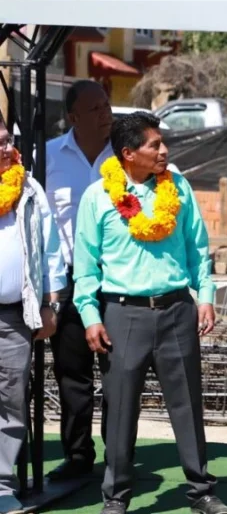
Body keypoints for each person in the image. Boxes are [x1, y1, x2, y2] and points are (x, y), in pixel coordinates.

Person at [72, 112, 227, 514]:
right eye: (154, 145)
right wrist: (90, 315)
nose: (164, 151)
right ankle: (117, 497)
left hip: (177, 309)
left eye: (162, 143)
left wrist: (206, 295)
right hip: (122, 315)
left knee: (187, 406)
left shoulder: (177, 188)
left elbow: (198, 246)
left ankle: (201, 492)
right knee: (121, 409)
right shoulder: (97, 197)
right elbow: (86, 265)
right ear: (128, 154)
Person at [45, 79, 114, 481]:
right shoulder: (48, 156)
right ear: (72, 117)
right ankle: (77, 456)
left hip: (116, 279)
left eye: (106, 105)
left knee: (117, 373)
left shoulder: (123, 160)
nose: (105, 113)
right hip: (66, 280)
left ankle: (117, 458)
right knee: (72, 374)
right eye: (95, 109)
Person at [0, 117, 66, 514]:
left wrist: (53, 304)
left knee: (9, 400)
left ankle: (1, 486)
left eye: (8, 141)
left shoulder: (29, 188)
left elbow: (52, 249)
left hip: (13, 316)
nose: (7, 149)